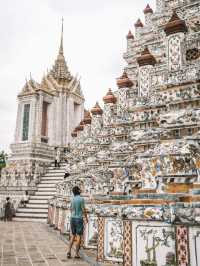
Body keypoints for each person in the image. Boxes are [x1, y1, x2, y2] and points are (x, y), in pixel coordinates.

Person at [67, 186, 88, 259]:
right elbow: (83, 209)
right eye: (80, 189)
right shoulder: (81, 199)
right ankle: (76, 253)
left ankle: (69, 251)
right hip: (79, 218)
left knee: (73, 236)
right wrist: (86, 217)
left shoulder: (72, 199)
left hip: (72, 218)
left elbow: (71, 209)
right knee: (79, 236)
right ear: (78, 190)